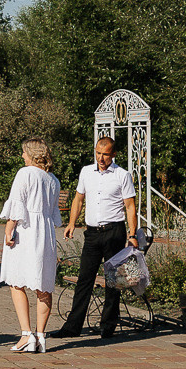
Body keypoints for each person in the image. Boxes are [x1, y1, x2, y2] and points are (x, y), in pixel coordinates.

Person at [58, 133, 140, 340]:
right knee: (85, 278)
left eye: (105, 155)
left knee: (114, 279)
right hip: (92, 233)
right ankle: (72, 326)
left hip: (114, 231)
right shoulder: (86, 172)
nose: (101, 159)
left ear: (113, 155)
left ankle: (108, 325)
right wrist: (71, 223)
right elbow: (78, 199)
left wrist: (132, 234)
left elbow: (130, 207)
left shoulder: (122, 175)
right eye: (98, 153)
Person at [0, 137, 61, 353]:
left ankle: (27, 334)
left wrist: (8, 230)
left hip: (25, 231)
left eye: (24, 152)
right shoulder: (53, 180)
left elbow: (17, 203)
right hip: (45, 233)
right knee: (43, 284)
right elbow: (53, 213)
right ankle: (41, 336)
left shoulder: (25, 174)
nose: (22, 156)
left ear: (32, 154)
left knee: (17, 281)